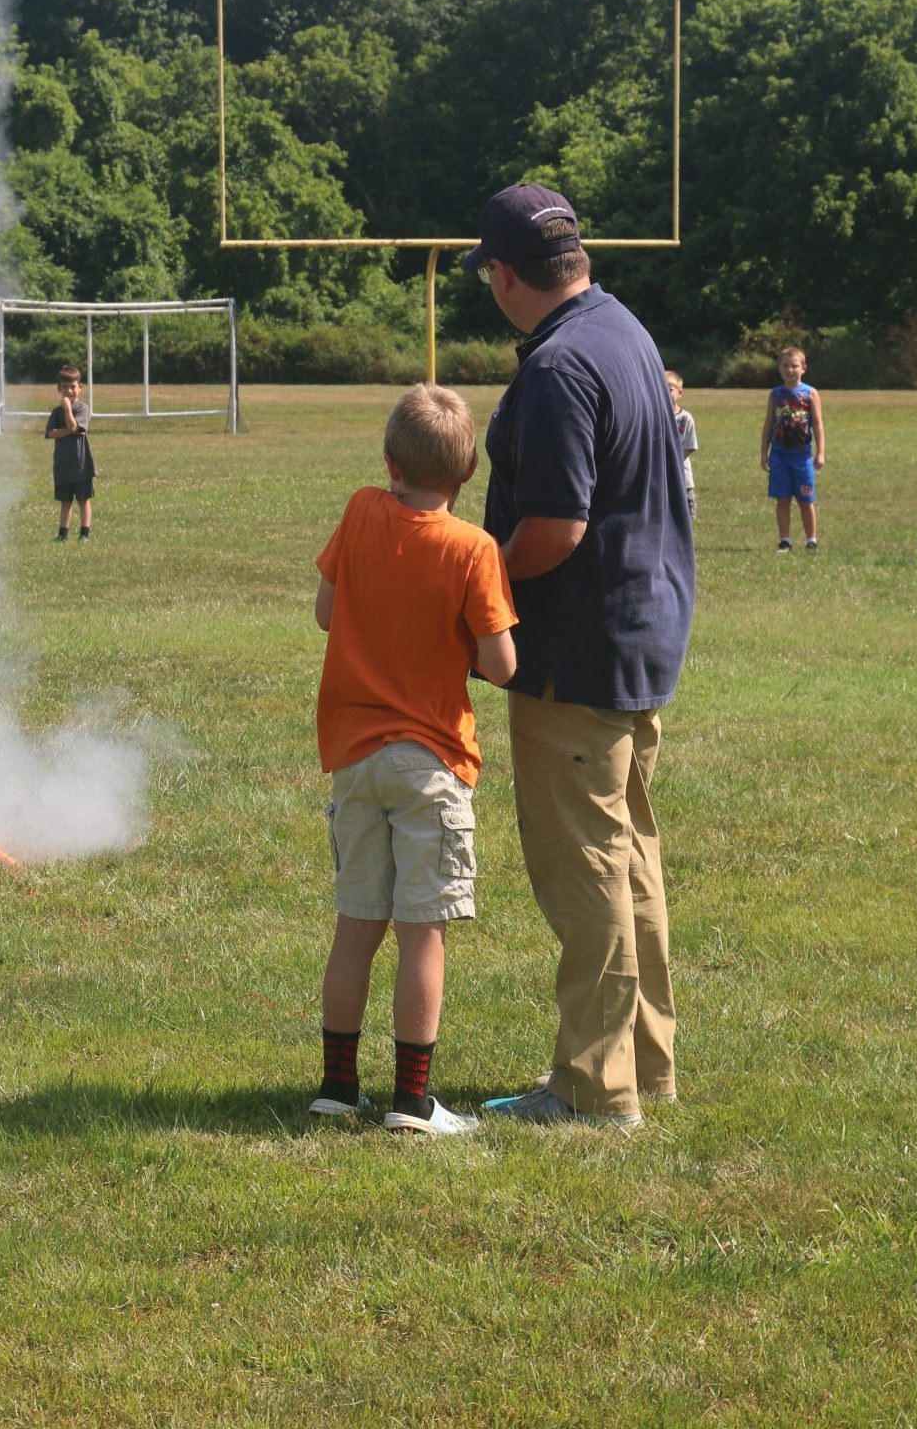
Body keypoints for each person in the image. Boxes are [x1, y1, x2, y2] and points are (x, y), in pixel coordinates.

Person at [462, 184, 694, 1130]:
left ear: (505, 275)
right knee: (629, 855)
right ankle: (643, 1064)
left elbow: (554, 526)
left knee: (587, 866)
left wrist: (472, 589)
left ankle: (596, 1089)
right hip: (636, 637)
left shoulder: (556, 368)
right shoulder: (620, 326)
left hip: (577, 649)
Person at [311, 383, 518, 1136]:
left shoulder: (362, 509)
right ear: (467, 476)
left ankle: (336, 1086)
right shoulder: (473, 548)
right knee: (421, 930)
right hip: (430, 761)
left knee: (356, 924)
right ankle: (411, 1100)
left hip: (355, 759)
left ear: (388, 461)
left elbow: (326, 611)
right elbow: (500, 665)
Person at [760, 346, 825, 553]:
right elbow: (769, 423)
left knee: (806, 499)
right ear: (780, 368)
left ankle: (811, 540)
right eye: (785, 366)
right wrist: (764, 452)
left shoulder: (810, 393)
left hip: (802, 456)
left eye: (794, 366)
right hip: (779, 455)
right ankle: (785, 540)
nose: (790, 370)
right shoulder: (775, 394)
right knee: (783, 499)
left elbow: (817, 423)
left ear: (803, 368)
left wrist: (821, 452)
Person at [45, 364, 96, 542]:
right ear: (59, 388)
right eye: (65, 387)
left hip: (81, 464)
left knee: (83, 499)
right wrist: (68, 430)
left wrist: (67, 410)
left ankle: (84, 534)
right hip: (63, 464)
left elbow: (76, 427)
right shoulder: (55, 412)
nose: (69, 391)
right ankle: (62, 534)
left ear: (80, 388)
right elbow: (51, 433)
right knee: (65, 501)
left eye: (72, 386)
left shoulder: (83, 409)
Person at [664, 370, 699, 520]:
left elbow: (689, 446)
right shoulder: (654, 415)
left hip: (682, 478)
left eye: (670, 389)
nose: (665, 392)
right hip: (660, 479)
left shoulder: (686, 418)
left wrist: (671, 462)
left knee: (684, 517)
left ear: (680, 393)